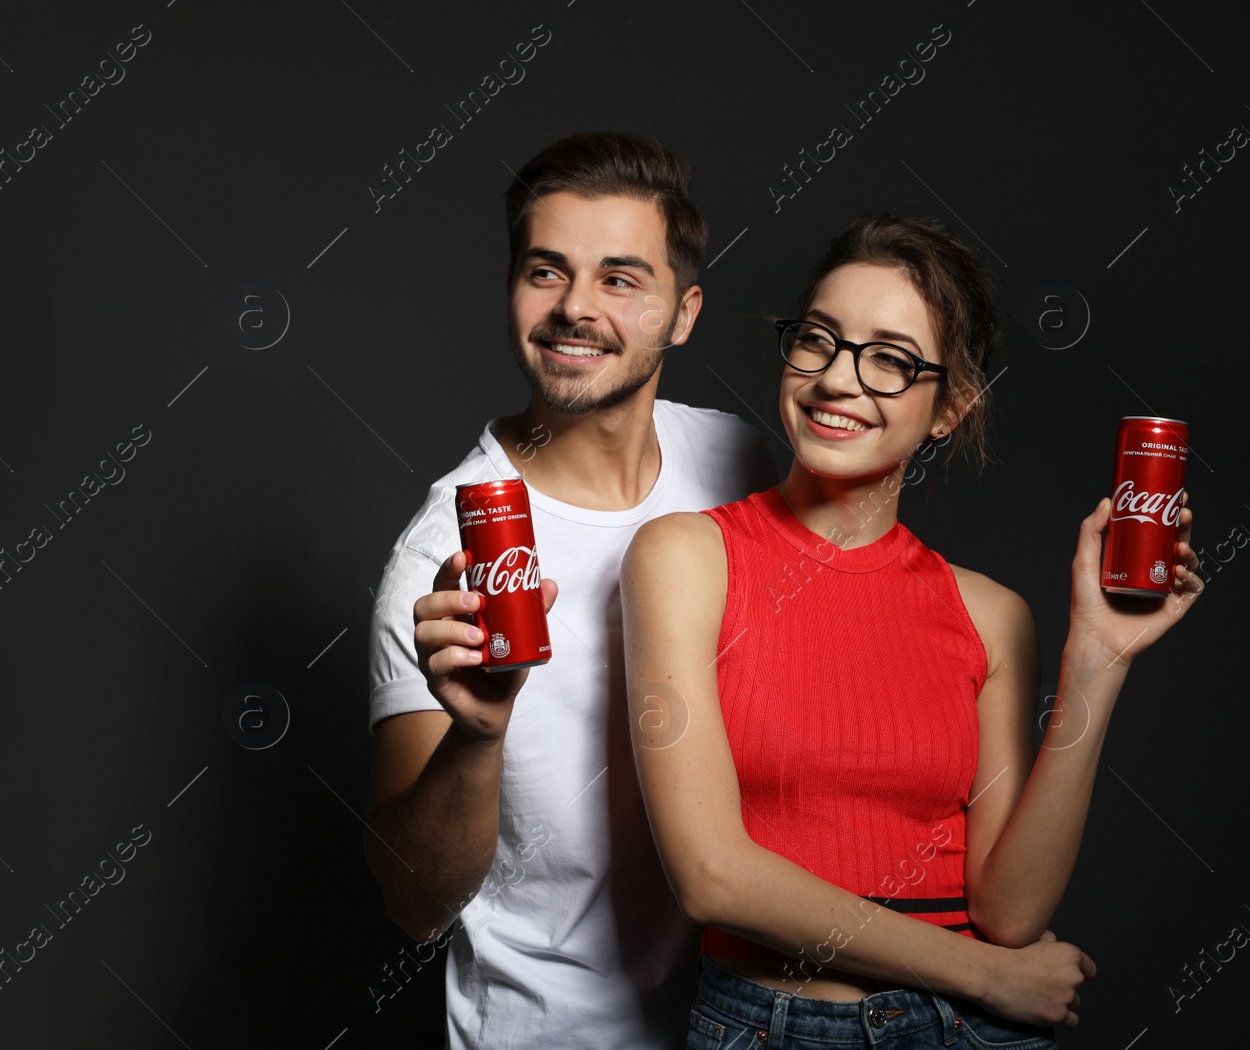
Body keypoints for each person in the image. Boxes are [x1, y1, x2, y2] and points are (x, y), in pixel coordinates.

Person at [620, 214, 1203, 1048]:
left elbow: (1010, 911)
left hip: (973, 1032)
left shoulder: (991, 615)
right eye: (818, 339)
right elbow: (713, 876)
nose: (837, 380)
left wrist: (1097, 661)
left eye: (891, 360)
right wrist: (984, 974)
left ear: (950, 410)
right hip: (786, 1022)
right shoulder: (688, 556)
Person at [362, 131, 776, 1048]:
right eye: (546, 272)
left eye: (620, 278)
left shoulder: (742, 461)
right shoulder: (448, 553)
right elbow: (412, 902)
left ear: (684, 312)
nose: (575, 309)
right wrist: (476, 735)